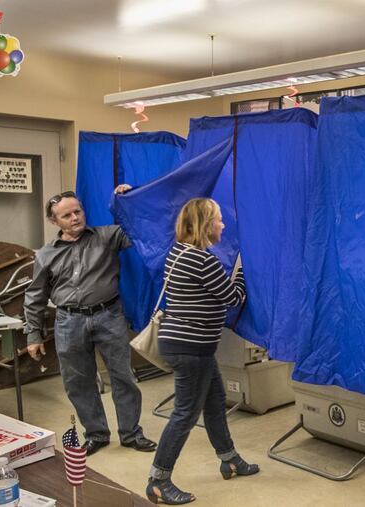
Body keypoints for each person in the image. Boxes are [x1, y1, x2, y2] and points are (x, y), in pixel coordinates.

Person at [24, 187, 156, 455]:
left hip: (108, 316)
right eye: (66, 215)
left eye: (78, 211)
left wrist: (124, 198)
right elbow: (35, 295)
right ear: (54, 222)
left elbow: (142, 227)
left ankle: (131, 434)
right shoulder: (45, 255)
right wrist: (33, 335)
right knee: (78, 382)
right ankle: (96, 434)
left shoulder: (108, 236)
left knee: (123, 377)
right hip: (68, 322)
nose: (75, 218)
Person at [147, 198, 258, 505]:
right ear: (205, 225)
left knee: (214, 402)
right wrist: (243, 269)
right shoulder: (201, 259)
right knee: (185, 413)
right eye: (219, 220)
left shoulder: (178, 252)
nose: (223, 225)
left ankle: (230, 459)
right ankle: (158, 480)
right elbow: (232, 297)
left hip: (192, 346)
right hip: (190, 348)